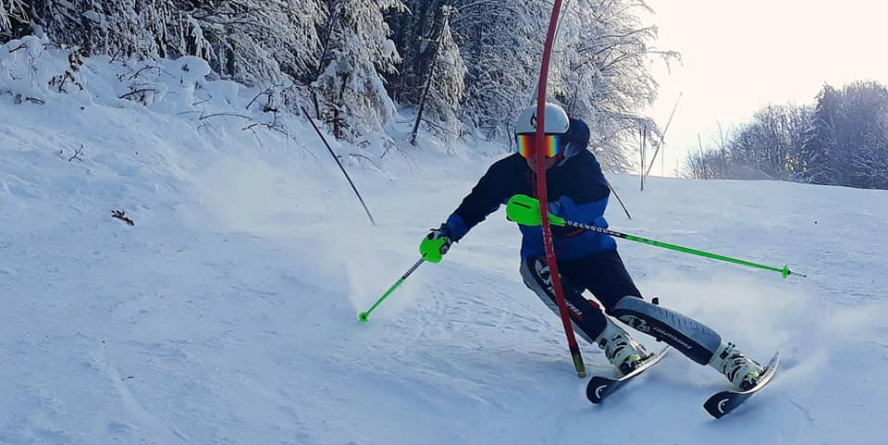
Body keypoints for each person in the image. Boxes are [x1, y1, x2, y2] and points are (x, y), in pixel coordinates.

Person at [419, 102, 764, 390]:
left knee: (630, 309)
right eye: (528, 147)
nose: (535, 157)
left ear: (564, 144)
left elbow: (596, 197)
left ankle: (727, 357)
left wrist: (553, 211)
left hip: (593, 252)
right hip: (547, 258)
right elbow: (476, 204)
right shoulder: (506, 172)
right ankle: (614, 343)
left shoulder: (582, 163)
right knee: (532, 271)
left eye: (545, 148)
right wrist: (448, 233)